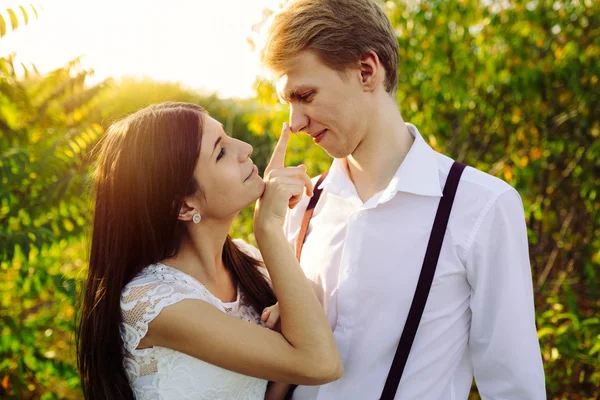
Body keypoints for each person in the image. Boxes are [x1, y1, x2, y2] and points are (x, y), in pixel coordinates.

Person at [259, 0, 546, 399]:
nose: (294, 122)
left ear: (366, 71)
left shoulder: (481, 205)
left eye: (305, 95)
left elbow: (514, 385)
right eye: (287, 103)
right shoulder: (302, 207)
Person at [76, 102, 342, 400]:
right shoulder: (154, 302)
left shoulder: (248, 264)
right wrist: (269, 228)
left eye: (227, 137)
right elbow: (321, 364)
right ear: (185, 206)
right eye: (221, 152)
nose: (245, 148)